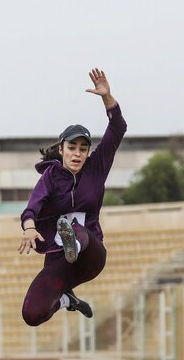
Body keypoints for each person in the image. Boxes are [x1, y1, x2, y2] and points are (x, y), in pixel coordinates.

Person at [19, 68, 125, 326]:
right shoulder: (51, 177)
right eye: (72, 148)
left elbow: (118, 127)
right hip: (59, 259)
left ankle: (73, 244)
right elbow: (31, 209)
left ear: (88, 152)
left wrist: (107, 97)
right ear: (62, 149)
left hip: (90, 254)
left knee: (76, 230)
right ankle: (68, 300)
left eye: (83, 149)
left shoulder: (96, 168)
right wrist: (30, 229)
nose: (77, 154)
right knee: (32, 314)